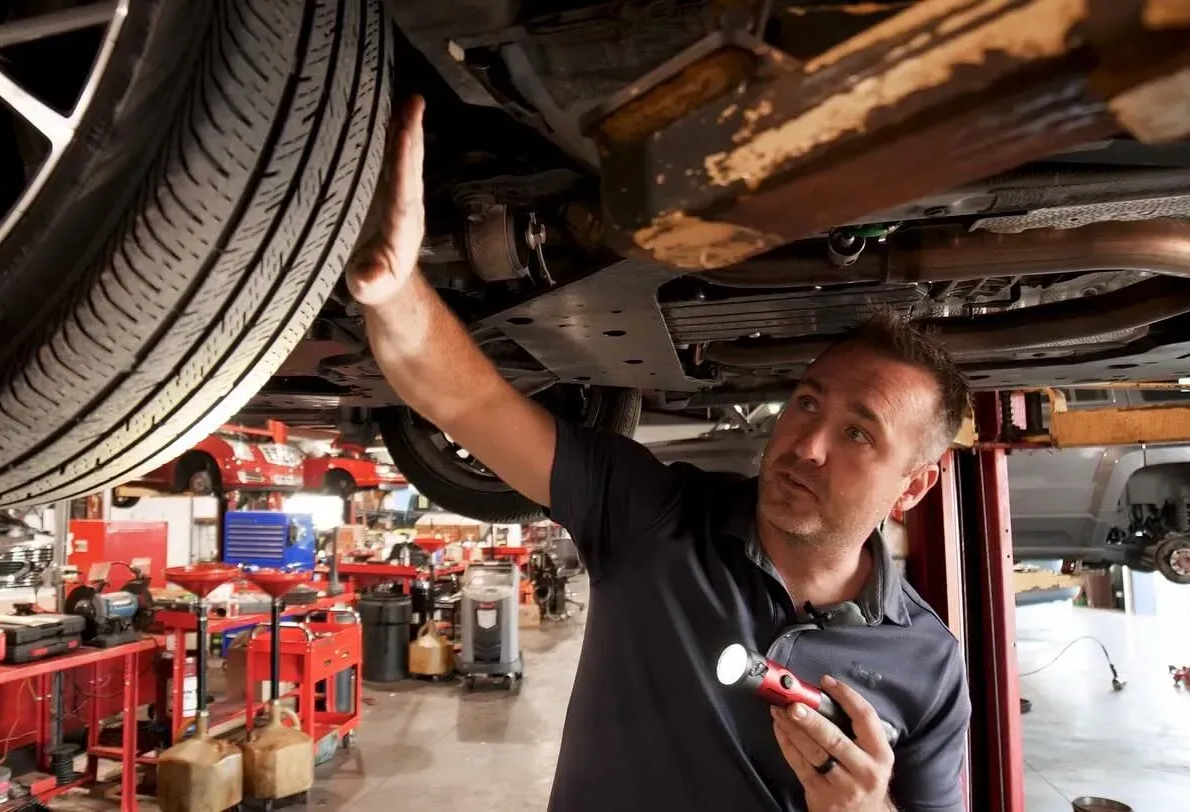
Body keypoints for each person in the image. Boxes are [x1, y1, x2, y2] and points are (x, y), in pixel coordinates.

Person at [346, 96, 972, 812]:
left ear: (913, 486)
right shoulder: (654, 518)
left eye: (858, 433)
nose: (807, 444)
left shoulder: (930, 664)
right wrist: (396, 292)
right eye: (806, 402)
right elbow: (471, 404)